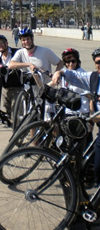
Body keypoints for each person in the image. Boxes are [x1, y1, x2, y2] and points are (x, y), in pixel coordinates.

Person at [51, 48, 100, 186]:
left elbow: (91, 98)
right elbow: (68, 75)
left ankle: (85, 179)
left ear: (77, 60)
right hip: (70, 115)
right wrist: (58, 72)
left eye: (73, 60)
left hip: (82, 117)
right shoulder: (93, 77)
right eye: (67, 61)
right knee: (72, 150)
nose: (70, 63)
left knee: (84, 152)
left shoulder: (84, 74)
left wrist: (90, 117)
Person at [0, 34, 23, 118]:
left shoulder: (16, 52)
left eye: (1, 43)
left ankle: (18, 129)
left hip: (17, 88)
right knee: (7, 109)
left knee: (16, 112)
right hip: (5, 88)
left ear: (6, 43)